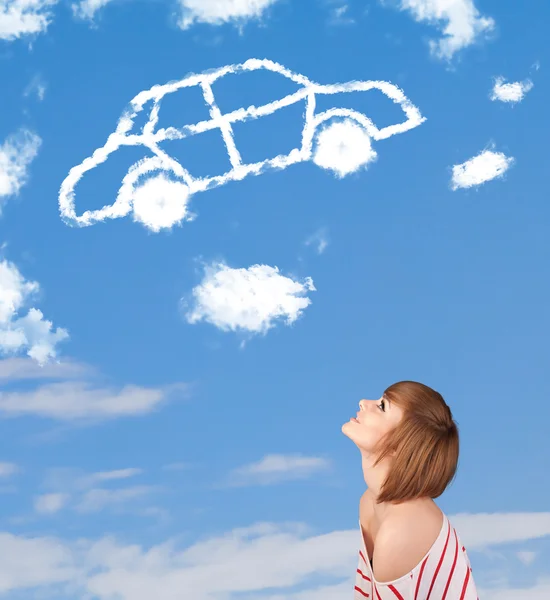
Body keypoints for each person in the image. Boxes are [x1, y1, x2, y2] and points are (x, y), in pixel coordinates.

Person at [342, 381, 479, 599]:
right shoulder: (370, 502)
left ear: (400, 445)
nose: (363, 403)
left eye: (382, 406)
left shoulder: (399, 531)